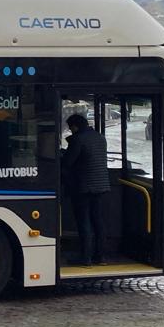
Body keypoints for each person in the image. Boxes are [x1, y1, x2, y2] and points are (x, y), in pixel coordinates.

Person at [62, 113, 110, 266]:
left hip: (83, 187)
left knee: (84, 222)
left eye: (70, 128)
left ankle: (85, 257)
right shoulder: (100, 137)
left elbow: (68, 162)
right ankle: (101, 256)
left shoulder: (78, 139)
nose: (70, 130)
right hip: (101, 186)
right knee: (98, 221)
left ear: (75, 126)